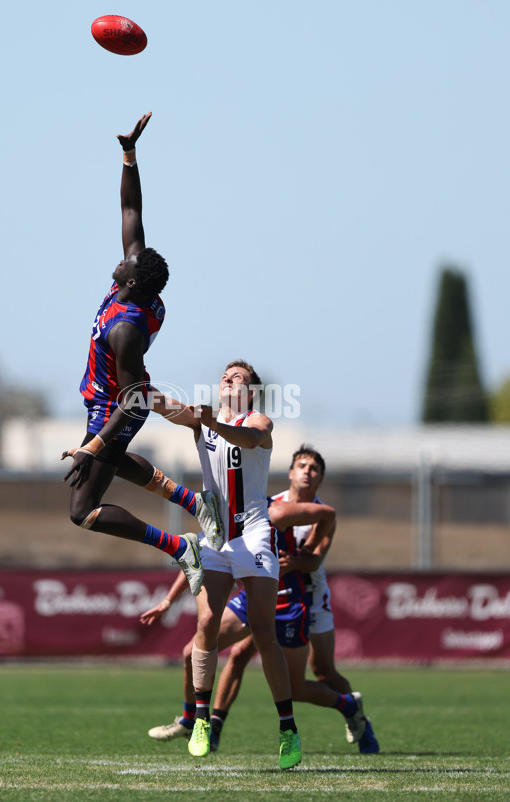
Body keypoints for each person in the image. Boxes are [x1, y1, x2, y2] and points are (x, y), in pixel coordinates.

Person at [143, 446, 379, 755]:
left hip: (302, 597)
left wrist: (300, 557)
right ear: (289, 472)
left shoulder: (289, 511)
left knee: (320, 674)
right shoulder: (256, 506)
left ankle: (352, 710)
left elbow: (316, 551)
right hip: (257, 596)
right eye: (301, 466)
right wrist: (169, 599)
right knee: (209, 652)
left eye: (314, 468)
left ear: (320, 477)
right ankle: (203, 724)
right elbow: (204, 553)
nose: (306, 472)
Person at [60, 112, 211, 597]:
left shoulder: (126, 327)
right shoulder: (134, 282)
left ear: (127, 281)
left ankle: (178, 547)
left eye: (126, 259)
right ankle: (194, 500)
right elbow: (131, 213)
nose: (123, 252)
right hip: (112, 399)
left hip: (120, 405)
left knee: (82, 510)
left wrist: (94, 445)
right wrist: (129, 154)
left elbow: (131, 402)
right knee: (115, 460)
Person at [150, 361, 302, 770]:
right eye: (225, 376)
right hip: (217, 537)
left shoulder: (258, 421)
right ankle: (200, 720)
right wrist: (136, 386)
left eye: (238, 378)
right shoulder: (204, 419)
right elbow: (164, 406)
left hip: (252, 534)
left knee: (263, 631)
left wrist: (210, 420)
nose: (228, 380)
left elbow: (249, 439)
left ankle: (288, 728)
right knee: (206, 624)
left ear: (250, 391)